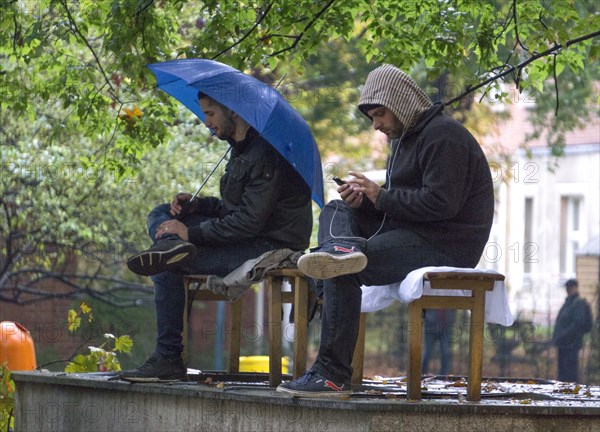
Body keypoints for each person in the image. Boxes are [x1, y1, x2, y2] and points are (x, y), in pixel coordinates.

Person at [277, 64, 494, 397]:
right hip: (412, 233)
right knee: (338, 209)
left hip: (445, 243)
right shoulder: (404, 139)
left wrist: (380, 195)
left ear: (401, 104)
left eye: (380, 115)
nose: (376, 125)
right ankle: (339, 250)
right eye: (372, 118)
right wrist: (364, 202)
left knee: (344, 270)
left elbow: (441, 205)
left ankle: (332, 375)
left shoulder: (444, 137)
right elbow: (393, 209)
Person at [120, 92, 313, 382]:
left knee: (168, 263)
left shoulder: (266, 153)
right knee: (163, 212)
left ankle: (168, 358)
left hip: (266, 244)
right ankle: (171, 245)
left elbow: (248, 222)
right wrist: (197, 206)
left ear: (233, 111)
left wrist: (191, 232)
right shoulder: (241, 149)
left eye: (210, 114)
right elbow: (230, 208)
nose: (206, 122)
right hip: (242, 235)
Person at [552, 278, 593, 383]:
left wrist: (562, 336)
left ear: (575, 288)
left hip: (571, 345)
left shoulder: (578, 304)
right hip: (563, 345)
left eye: (569, 288)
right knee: (563, 376)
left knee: (569, 375)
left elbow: (577, 325)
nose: (567, 290)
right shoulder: (569, 303)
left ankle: (570, 396)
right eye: (567, 288)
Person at [422, 309, 456, 376]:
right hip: (430, 326)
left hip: (446, 325)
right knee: (428, 352)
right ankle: (422, 375)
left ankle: (443, 376)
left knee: (445, 352)